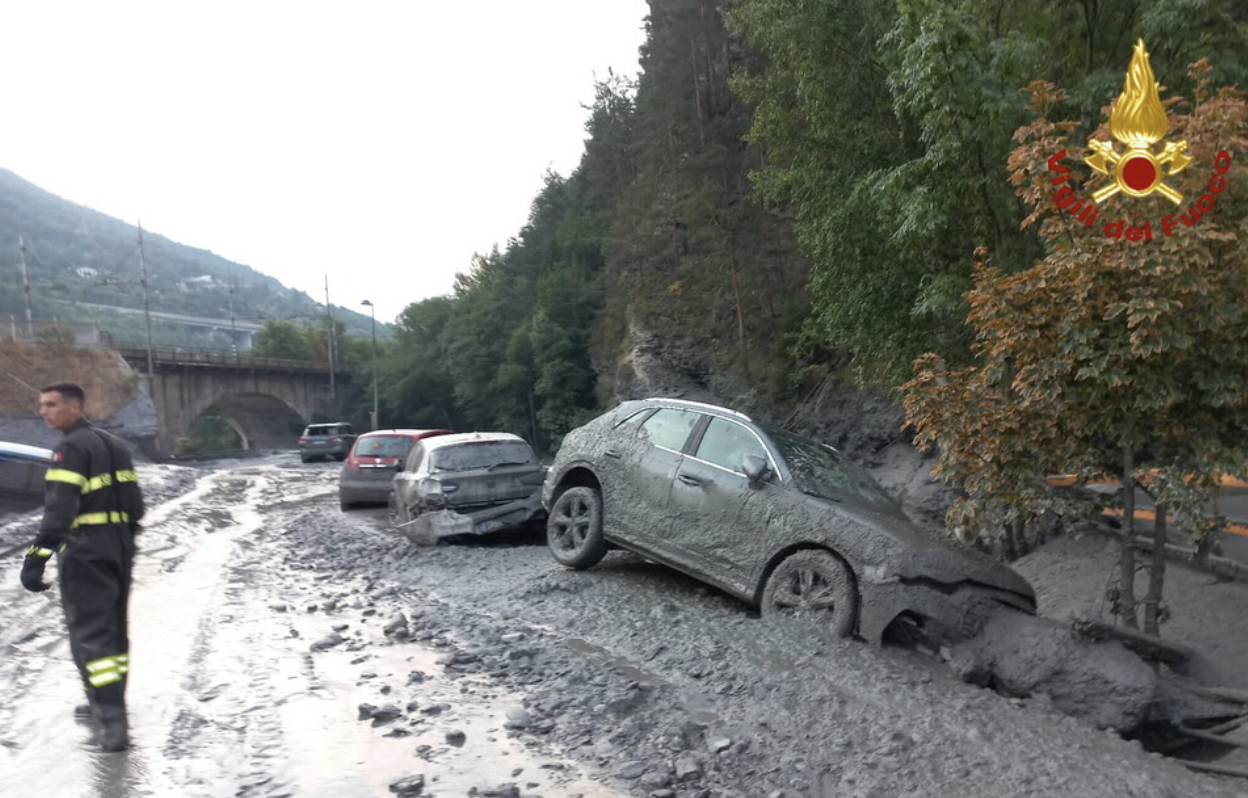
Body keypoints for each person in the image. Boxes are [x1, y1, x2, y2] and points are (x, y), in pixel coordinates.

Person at [20, 382, 145, 753]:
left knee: (91, 633)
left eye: (51, 404)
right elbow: (136, 505)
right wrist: (123, 540)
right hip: (119, 544)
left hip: (85, 548)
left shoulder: (71, 448)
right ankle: (103, 702)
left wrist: (36, 558)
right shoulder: (115, 445)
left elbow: (59, 511)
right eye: (42, 405)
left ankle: (112, 724)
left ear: (75, 406)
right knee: (114, 632)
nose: (44, 412)